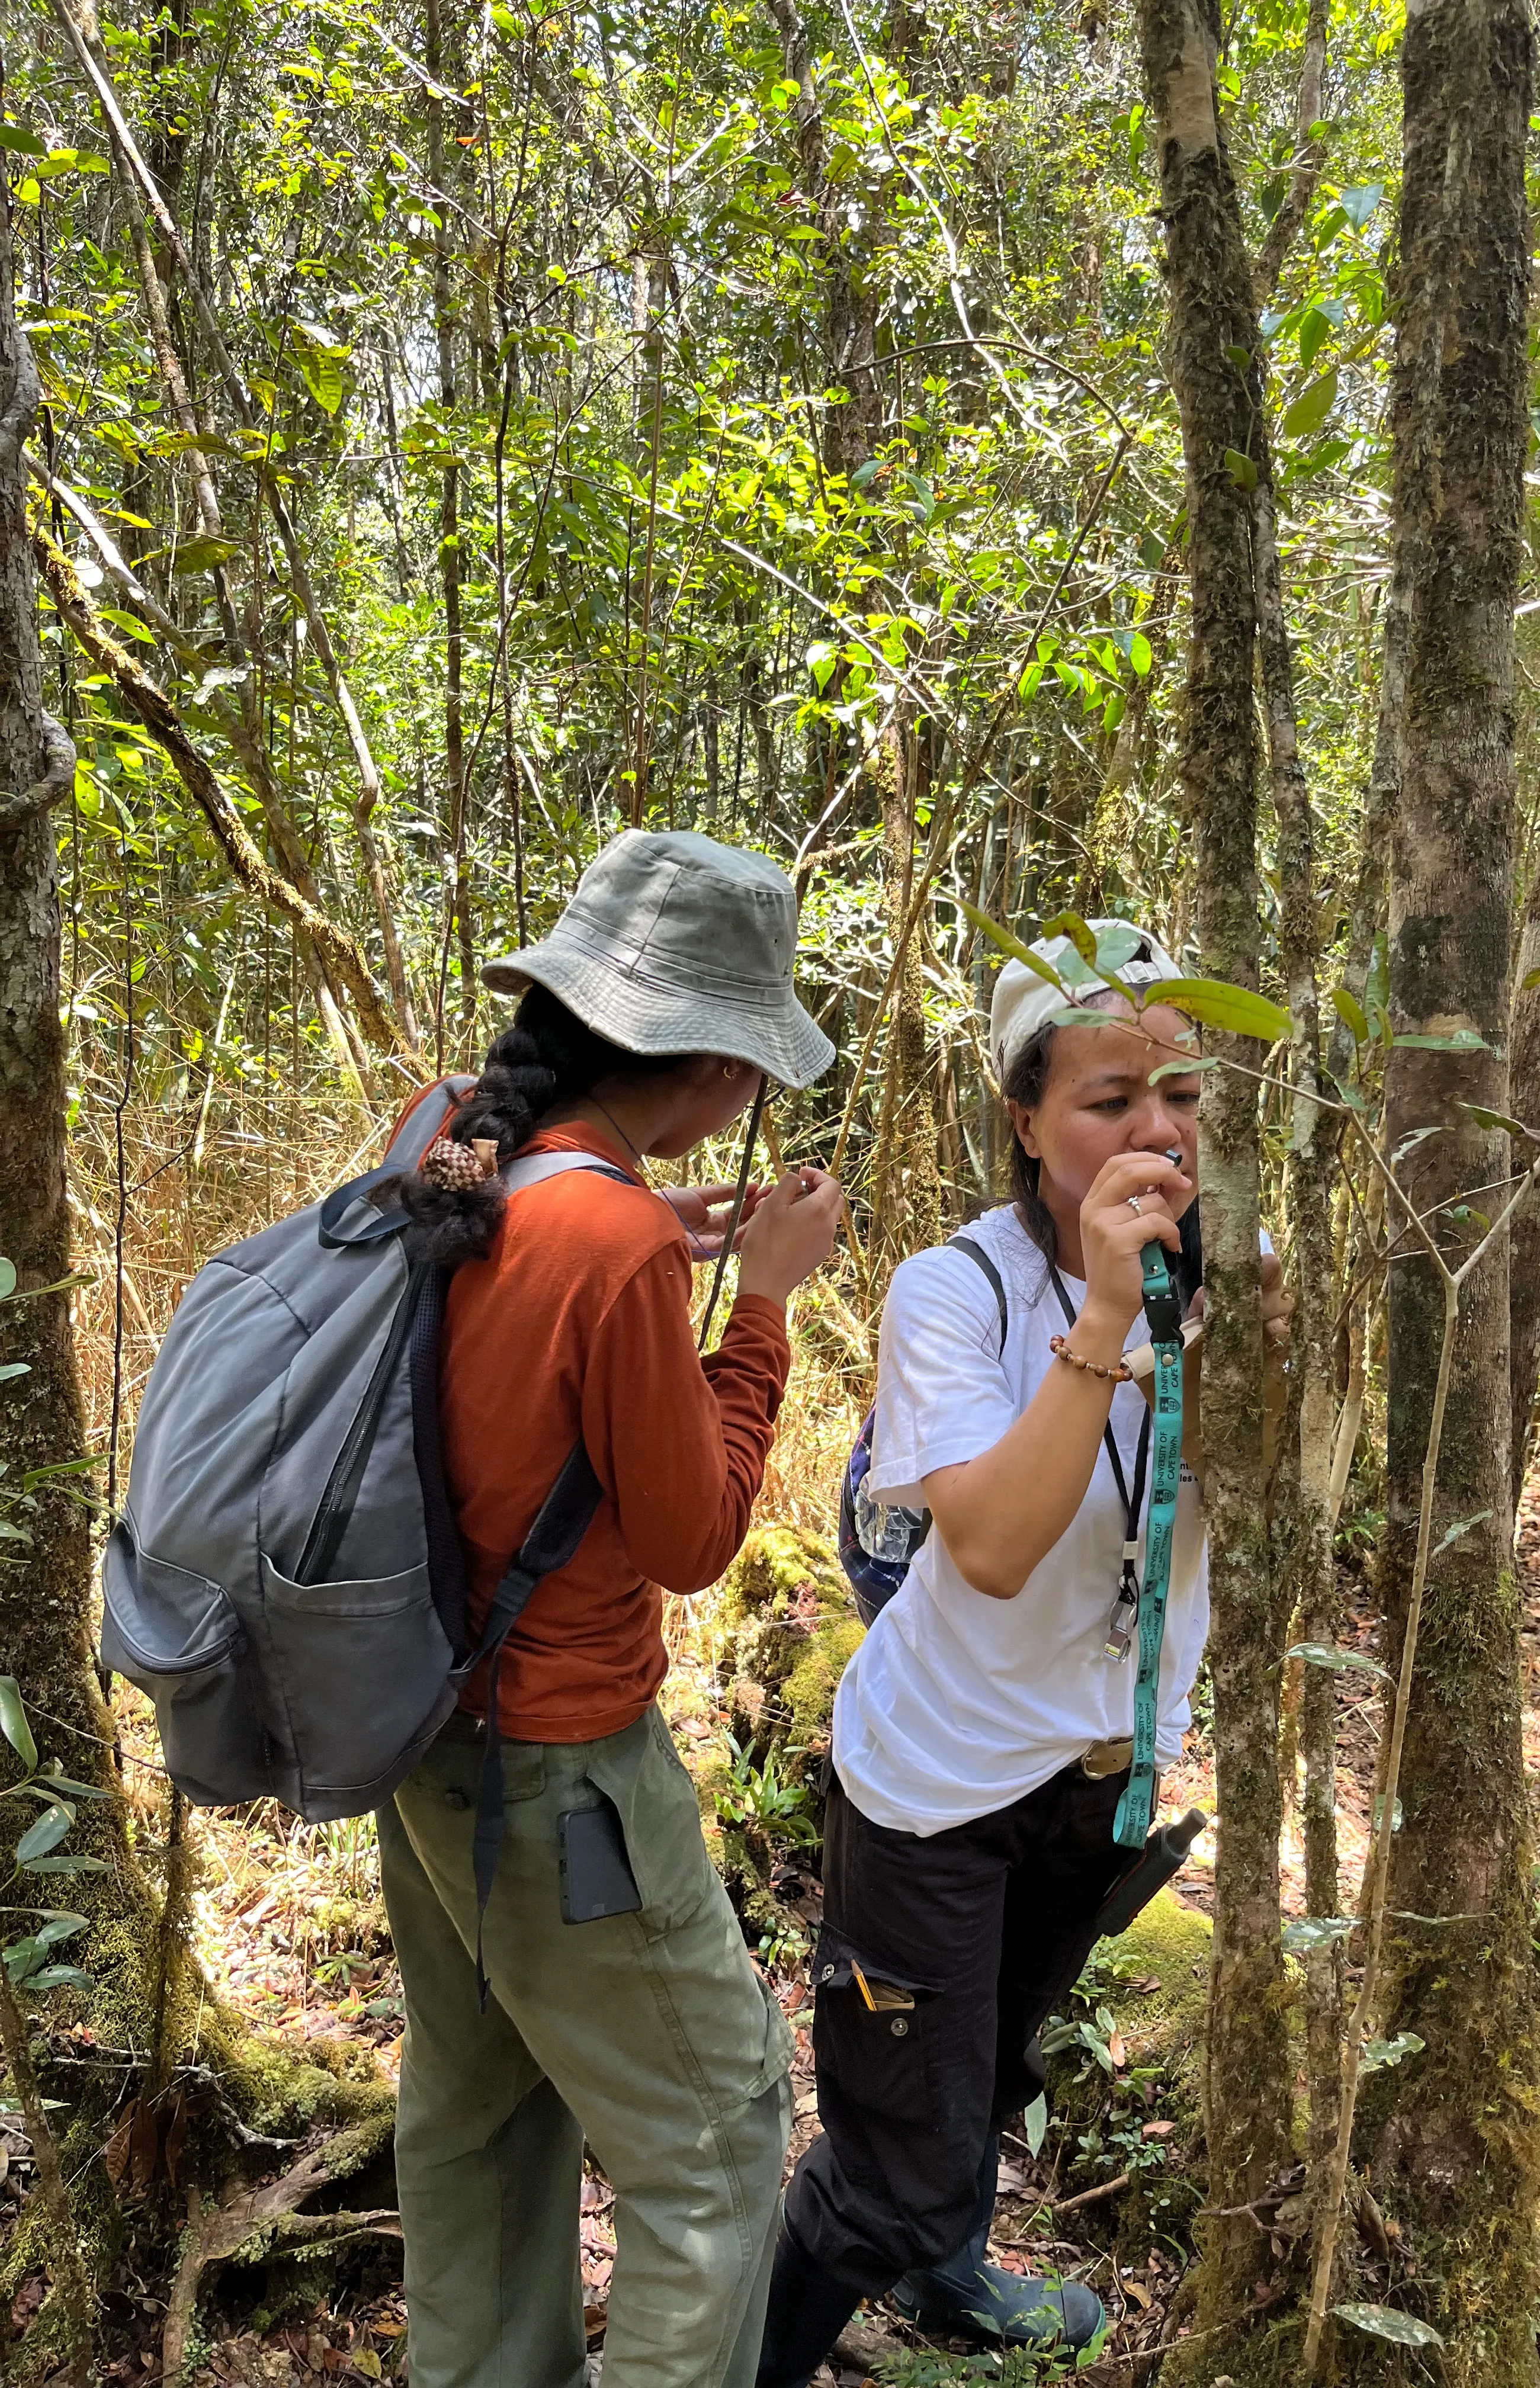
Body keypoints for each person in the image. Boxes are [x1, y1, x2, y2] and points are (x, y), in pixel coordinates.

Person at [755, 921, 1294, 2386]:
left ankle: (947, 2277)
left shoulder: (1232, 1272)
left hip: (1094, 1779)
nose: (1155, 1131)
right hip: (932, 1789)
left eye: (1178, 1092)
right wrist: (1111, 1311)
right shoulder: (957, 1291)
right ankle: (765, 2357)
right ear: (1025, 1117)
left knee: (982, 2077)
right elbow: (989, 1552)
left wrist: (1255, 1334)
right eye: (1107, 1099)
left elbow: (1268, 1510)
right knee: (887, 2161)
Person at [377, 829, 843, 2388]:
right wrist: (761, 1297)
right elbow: (696, 1534)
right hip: (559, 1768)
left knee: (478, 2114)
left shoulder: (448, 1132)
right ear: (719, 1066)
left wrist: (671, 1241)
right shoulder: (613, 1240)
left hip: (417, 1732)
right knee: (714, 2145)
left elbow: (504, 1339)